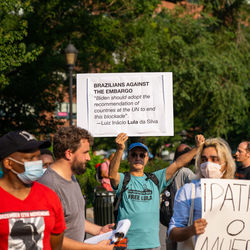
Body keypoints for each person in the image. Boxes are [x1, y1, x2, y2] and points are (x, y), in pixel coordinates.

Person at [109, 133, 205, 250]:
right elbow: (112, 175)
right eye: (134, 155)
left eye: (142, 155)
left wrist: (197, 148)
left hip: (152, 245)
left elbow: (178, 163)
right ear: (128, 158)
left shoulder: (155, 179)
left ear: (147, 158)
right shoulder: (124, 179)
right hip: (125, 245)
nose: (138, 158)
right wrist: (119, 150)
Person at [38, 126, 115, 250]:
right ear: (69, 153)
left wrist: (99, 230)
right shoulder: (49, 185)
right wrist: (95, 248)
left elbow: (74, 219)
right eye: (85, 152)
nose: (89, 158)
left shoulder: (72, 177)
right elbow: (49, 238)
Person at [0, 130, 66, 250]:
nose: (37, 163)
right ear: (9, 163)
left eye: (38, 157)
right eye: (30, 158)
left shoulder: (49, 196)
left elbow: (56, 243)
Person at [168, 137, 236, 247]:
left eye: (214, 159)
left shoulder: (238, 192)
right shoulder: (188, 191)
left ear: (226, 164)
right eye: (204, 159)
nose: (208, 164)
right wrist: (190, 230)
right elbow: (172, 233)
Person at [164, 144, 197, 250]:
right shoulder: (186, 172)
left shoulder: (169, 169)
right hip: (183, 216)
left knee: (171, 241)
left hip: (170, 215)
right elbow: (198, 186)